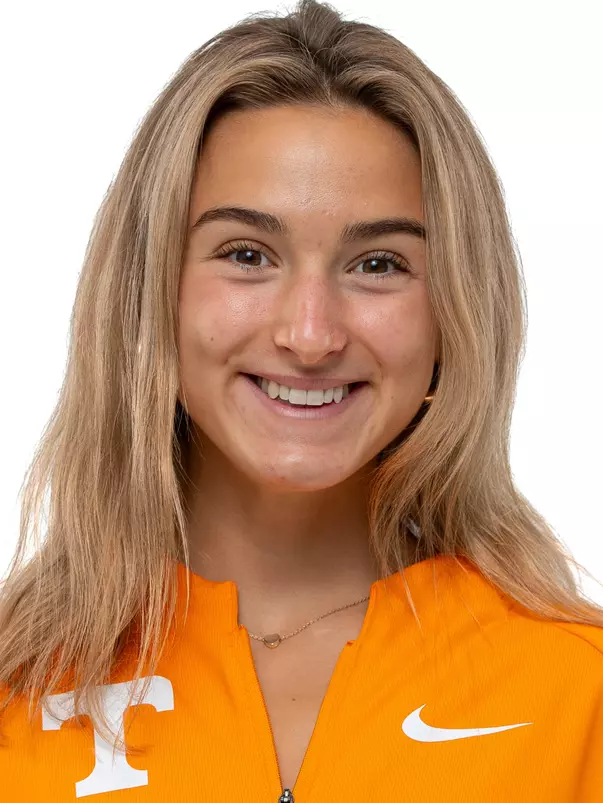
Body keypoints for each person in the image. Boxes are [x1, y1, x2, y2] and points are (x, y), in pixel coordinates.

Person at [1, 0, 602, 800]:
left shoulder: (578, 691)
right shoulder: (14, 687)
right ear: (151, 293)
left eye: (378, 263)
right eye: (247, 254)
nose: (310, 334)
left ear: (453, 312)